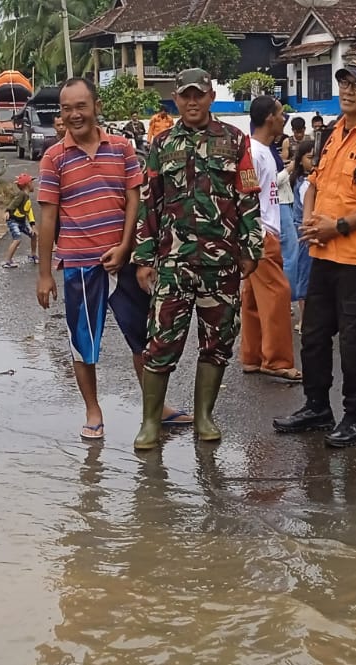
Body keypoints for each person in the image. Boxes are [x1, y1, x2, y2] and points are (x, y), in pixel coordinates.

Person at [37, 78, 190, 442]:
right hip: (79, 266)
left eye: (81, 106)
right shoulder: (53, 157)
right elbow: (46, 217)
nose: (74, 115)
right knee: (83, 344)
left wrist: (125, 248)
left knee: (144, 340)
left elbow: (134, 202)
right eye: (66, 108)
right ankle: (93, 410)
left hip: (123, 264)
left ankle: (155, 408)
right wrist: (44, 275)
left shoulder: (121, 149)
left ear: (96, 106)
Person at [273, 58, 356, 448]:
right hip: (324, 254)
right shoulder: (331, 134)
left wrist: (340, 226)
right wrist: (312, 220)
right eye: (344, 83)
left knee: (354, 342)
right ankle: (317, 406)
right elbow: (314, 183)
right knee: (313, 337)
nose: (347, 90)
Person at [132, 69, 262, 449]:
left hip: (221, 263)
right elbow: (149, 201)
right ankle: (151, 423)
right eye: (185, 96)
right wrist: (143, 257)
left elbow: (248, 195)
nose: (192, 102)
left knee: (218, 343)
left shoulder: (235, 141)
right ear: (175, 98)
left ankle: (204, 416)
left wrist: (251, 248)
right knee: (161, 341)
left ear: (211, 96)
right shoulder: (162, 142)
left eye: (199, 95)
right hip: (173, 262)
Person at [240, 95, 299, 381]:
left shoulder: (262, 150)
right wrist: (257, 233)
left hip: (262, 231)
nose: (284, 118)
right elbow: (247, 194)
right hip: (261, 233)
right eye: (280, 113)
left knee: (252, 298)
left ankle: (252, 356)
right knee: (278, 294)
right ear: (268, 119)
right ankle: (276, 360)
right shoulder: (254, 152)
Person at [284, 139, 316, 332]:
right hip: (304, 233)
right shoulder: (302, 182)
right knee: (304, 276)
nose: (313, 161)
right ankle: (305, 319)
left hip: (307, 230)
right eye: (309, 157)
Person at [2, 172, 37, 268]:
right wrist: (8, 211)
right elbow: (13, 203)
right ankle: (7, 261)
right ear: (28, 184)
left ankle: (33, 255)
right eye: (32, 182)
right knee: (17, 238)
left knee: (34, 235)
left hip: (22, 221)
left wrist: (32, 225)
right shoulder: (21, 195)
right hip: (13, 221)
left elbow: (29, 211)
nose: (33, 185)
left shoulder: (27, 197)